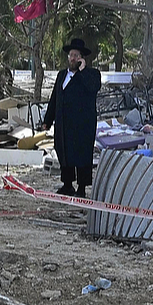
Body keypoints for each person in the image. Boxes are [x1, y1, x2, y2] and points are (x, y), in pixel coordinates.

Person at [39, 38, 103, 197]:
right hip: (63, 124)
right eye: (71, 55)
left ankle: (81, 188)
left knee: (82, 156)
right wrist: (48, 120)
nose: (72, 58)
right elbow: (55, 98)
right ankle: (67, 184)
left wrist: (82, 71)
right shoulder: (62, 75)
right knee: (64, 153)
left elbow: (93, 88)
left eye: (76, 55)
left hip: (82, 125)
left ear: (82, 58)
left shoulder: (92, 74)